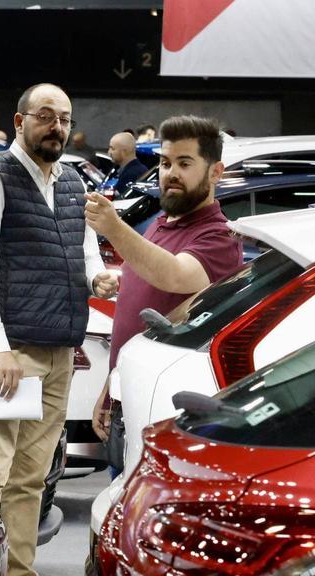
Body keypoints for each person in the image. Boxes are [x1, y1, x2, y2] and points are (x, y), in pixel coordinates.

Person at [0, 83, 119, 576]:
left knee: (31, 480)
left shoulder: (72, 181)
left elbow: (83, 251)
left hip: (56, 352)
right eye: (45, 116)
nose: (55, 125)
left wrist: (98, 277)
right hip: (11, 354)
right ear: (20, 119)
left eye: (64, 118)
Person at [84, 115, 242, 446]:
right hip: (128, 394)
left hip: (167, 410)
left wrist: (114, 228)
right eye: (166, 163)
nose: (170, 173)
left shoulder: (219, 237)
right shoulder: (162, 223)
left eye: (185, 163)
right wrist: (111, 386)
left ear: (216, 172)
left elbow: (174, 274)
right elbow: (140, 297)